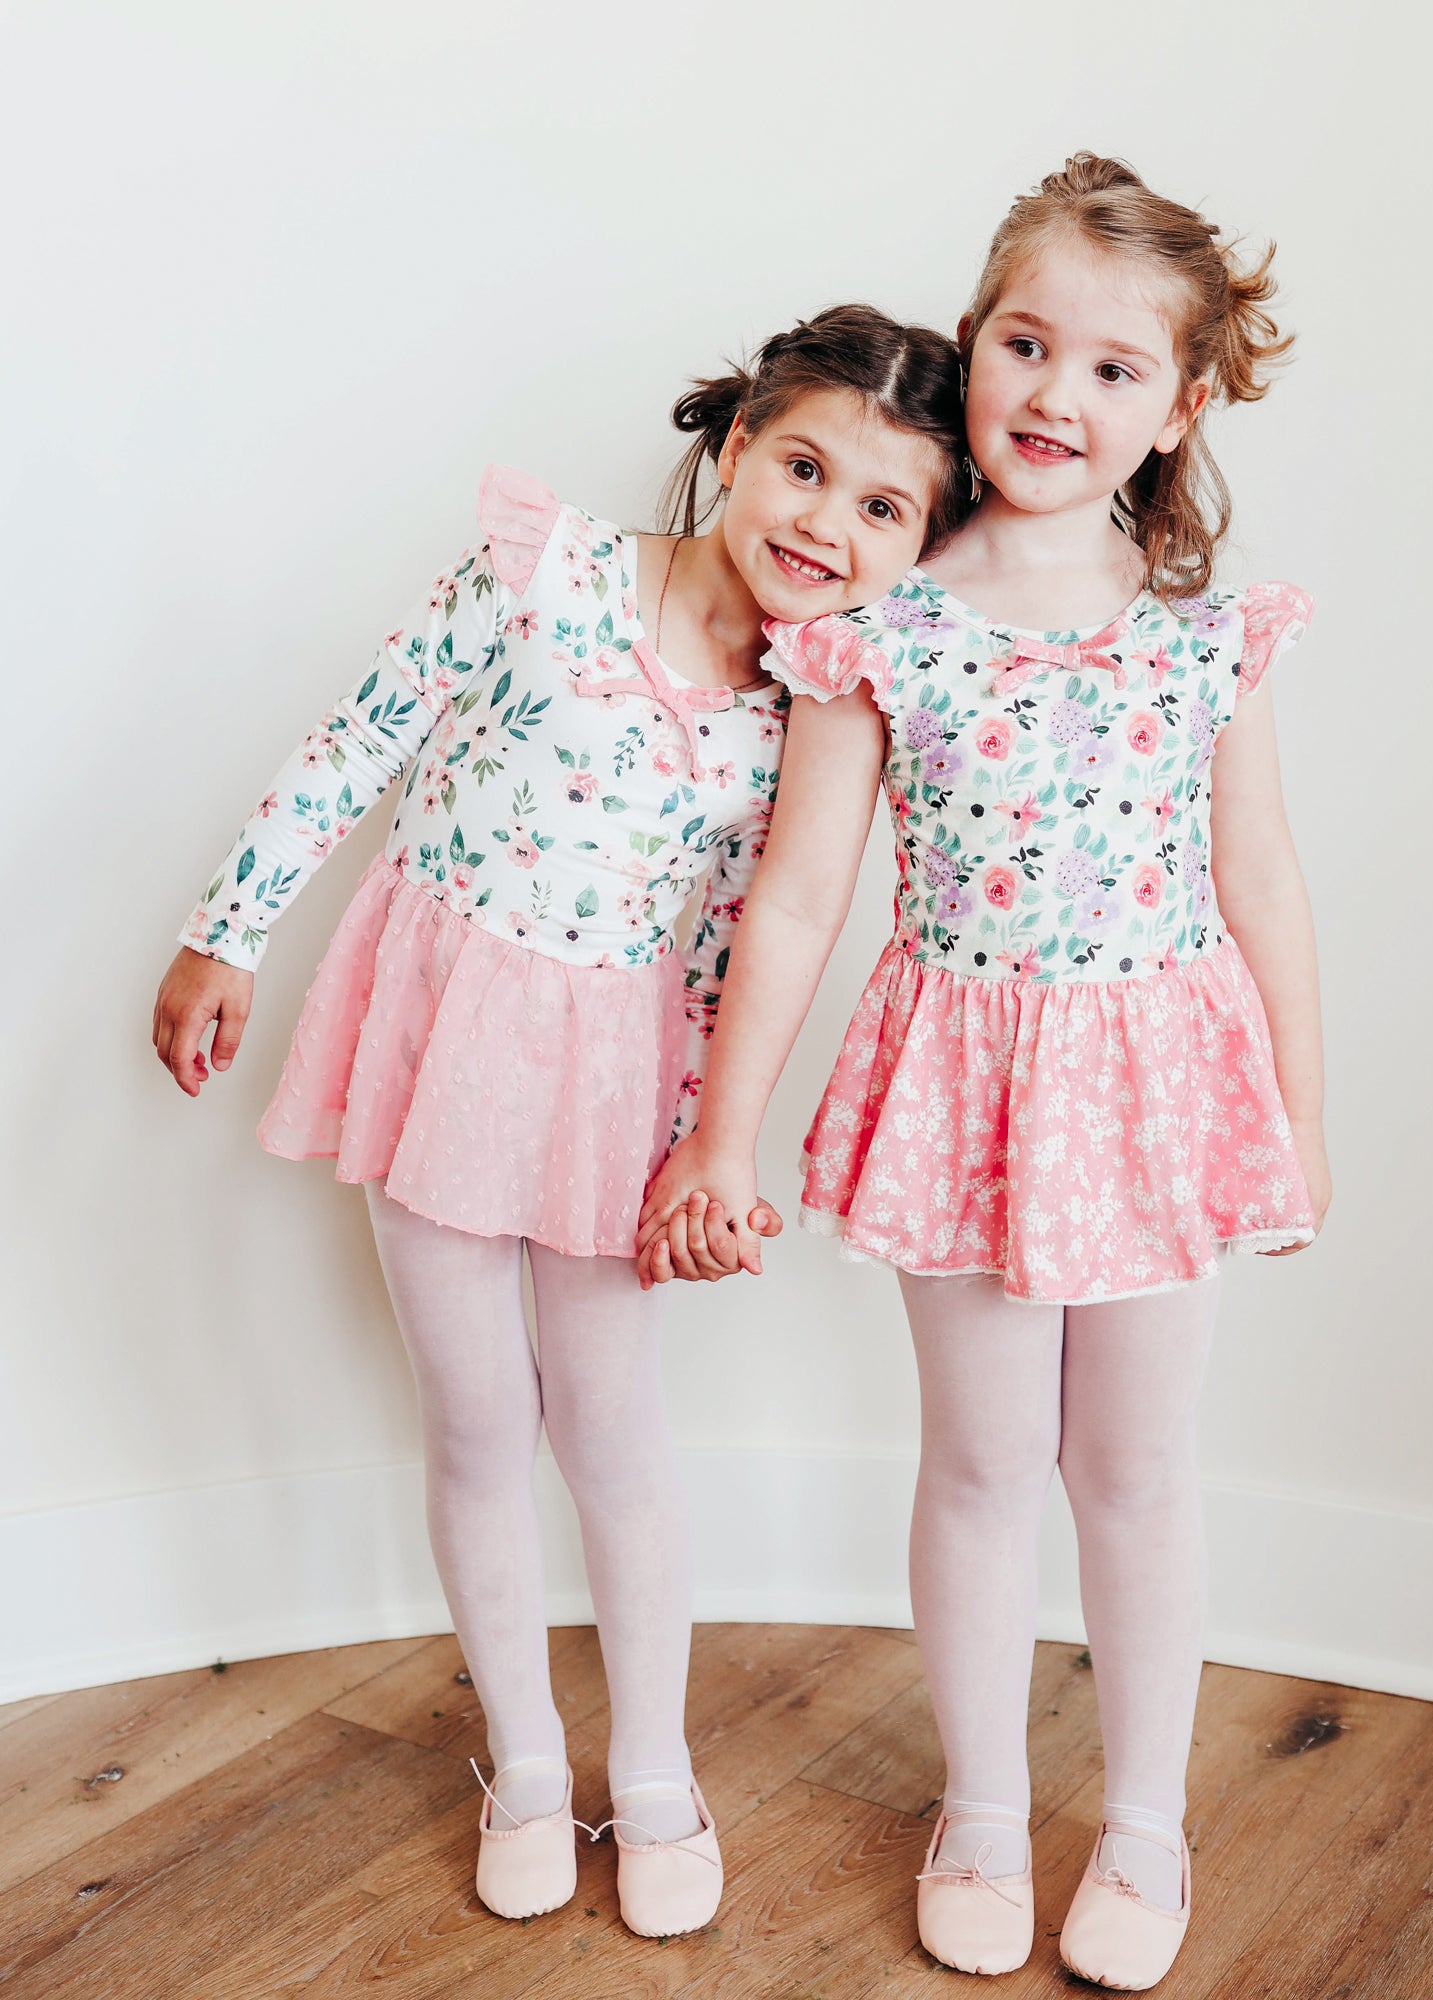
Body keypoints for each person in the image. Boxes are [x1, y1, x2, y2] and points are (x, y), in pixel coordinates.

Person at [152, 305, 970, 1939]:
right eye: (805, 468)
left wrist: (709, 1145)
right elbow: (362, 740)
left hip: (620, 1091)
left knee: (611, 1429)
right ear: (734, 448)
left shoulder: (819, 714)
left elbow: (752, 942)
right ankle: (527, 1766)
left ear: (923, 545)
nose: (827, 522)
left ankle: (654, 1767)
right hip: (439, 1039)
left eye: (884, 506)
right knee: (475, 1421)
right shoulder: (543, 572)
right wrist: (225, 930)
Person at [637, 158, 1331, 1985]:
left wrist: (1300, 1120)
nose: (1055, 394)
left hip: (1164, 1089)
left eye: (1114, 368)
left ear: (1180, 409)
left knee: (1138, 1468)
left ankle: (1147, 1823)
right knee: (982, 1462)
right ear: (974, 343)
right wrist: (723, 1135)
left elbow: (1262, 880)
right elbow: (799, 899)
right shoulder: (882, 626)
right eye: (1025, 346)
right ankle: (984, 1808)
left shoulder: (1205, 633)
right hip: (963, 1087)